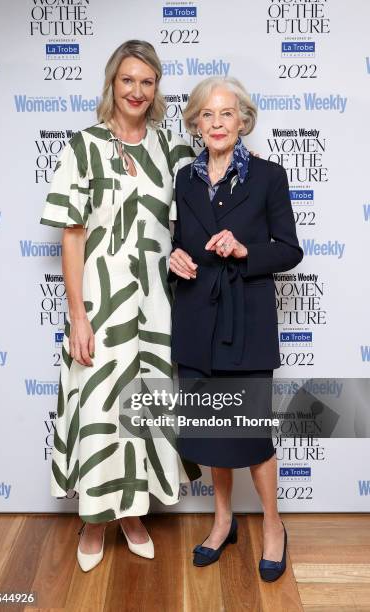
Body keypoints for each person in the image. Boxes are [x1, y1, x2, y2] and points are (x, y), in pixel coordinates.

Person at [40, 39, 199, 572]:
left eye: (147, 81)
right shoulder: (84, 145)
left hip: (155, 306)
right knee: (100, 408)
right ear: (112, 83)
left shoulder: (172, 147)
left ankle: (133, 515)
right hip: (101, 305)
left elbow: (195, 217)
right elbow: (72, 235)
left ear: (157, 89)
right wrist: (78, 315)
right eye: (128, 79)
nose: (137, 90)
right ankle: (93, 519)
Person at [169, 76, 304, 580]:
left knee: (250, 436)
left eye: (227, 114)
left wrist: (248, 252)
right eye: (208, 114)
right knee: (211, 434)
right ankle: (223, 520)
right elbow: (181, 243)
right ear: (196, 123)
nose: (218, 123)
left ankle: (273, 523)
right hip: (196, 321)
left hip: (245, 323)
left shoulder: (268, 176)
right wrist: (174, 259)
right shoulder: (184, 178)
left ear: (242, 120)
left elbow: (290, 250)